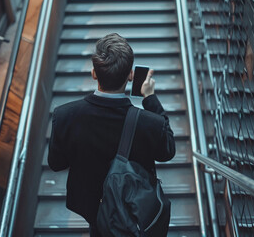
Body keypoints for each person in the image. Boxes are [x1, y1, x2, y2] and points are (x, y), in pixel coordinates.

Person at [48, 33, 176, 236]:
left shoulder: (65, 116)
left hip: (90, 204)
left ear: (94, 74)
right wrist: (150, 98)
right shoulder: (150, 123)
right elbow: (167, 151)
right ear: (131, 76)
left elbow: (56, 163)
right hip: (133, 204)